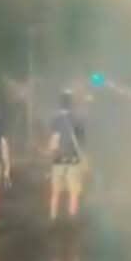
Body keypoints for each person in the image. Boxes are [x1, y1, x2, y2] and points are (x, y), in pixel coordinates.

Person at [48, 91, 86, 224]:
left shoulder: (56, 120)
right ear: (71, 105)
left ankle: (53, 217)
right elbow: (81, 142)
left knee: (55, 191)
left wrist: (52, 155)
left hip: (58, 160)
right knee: (73, 191)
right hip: (73, 160)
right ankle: (71, 218)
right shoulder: (77, 120)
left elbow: (54, 140)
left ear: (60, 105)